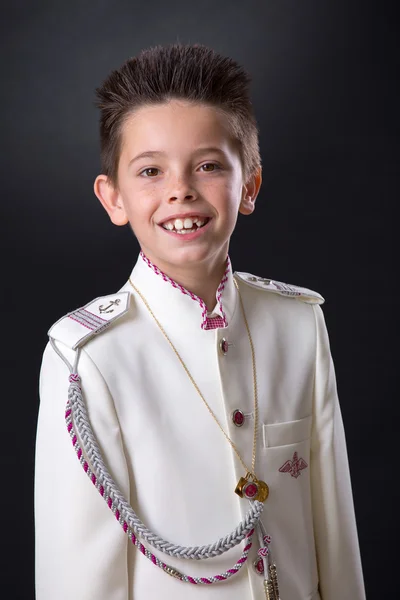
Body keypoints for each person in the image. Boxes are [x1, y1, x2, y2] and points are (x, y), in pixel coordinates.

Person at [34, 43, 365, 600]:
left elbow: (333, 533)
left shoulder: (297, 324)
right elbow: (78, 578)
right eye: (150, 171)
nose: (180, 189)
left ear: (251, 185)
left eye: (208, 165)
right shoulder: (86, 357)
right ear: (113, 198)